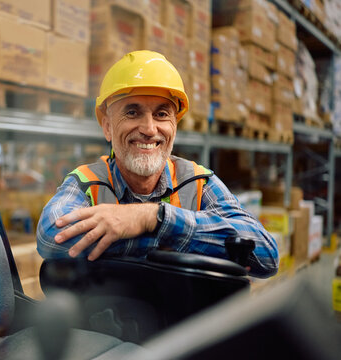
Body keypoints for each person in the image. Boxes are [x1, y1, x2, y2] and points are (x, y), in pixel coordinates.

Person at [36, 50, 278, 278]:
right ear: (108, 126)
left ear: (174, 125)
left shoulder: (197, 182)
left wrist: (154, 218)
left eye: (162, 114)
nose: (149, 129)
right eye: (132, 113)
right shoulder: (87, 182)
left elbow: (265, 255)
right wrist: (185, 242)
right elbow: (51, 237)